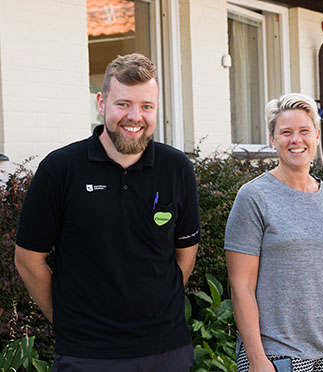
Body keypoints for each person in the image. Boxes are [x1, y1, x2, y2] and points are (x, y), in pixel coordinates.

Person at [14, 53, 200, 372]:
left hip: (166, 351)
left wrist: (156, 302)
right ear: (101, 103)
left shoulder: (176, 169)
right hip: (86, 355)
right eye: (123, 104)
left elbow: (185, 254)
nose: (135, 116)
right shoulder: (60, 170)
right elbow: (28, 259)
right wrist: (68, 321)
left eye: (146, 106)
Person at [225, 93, 323, 372]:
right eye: (286, 132)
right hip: (277, 353)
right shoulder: (254, 197)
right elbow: (241, 287)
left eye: (304, 131)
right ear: (273, 140)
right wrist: (257, 359)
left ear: (317, 136)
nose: (296, 140)